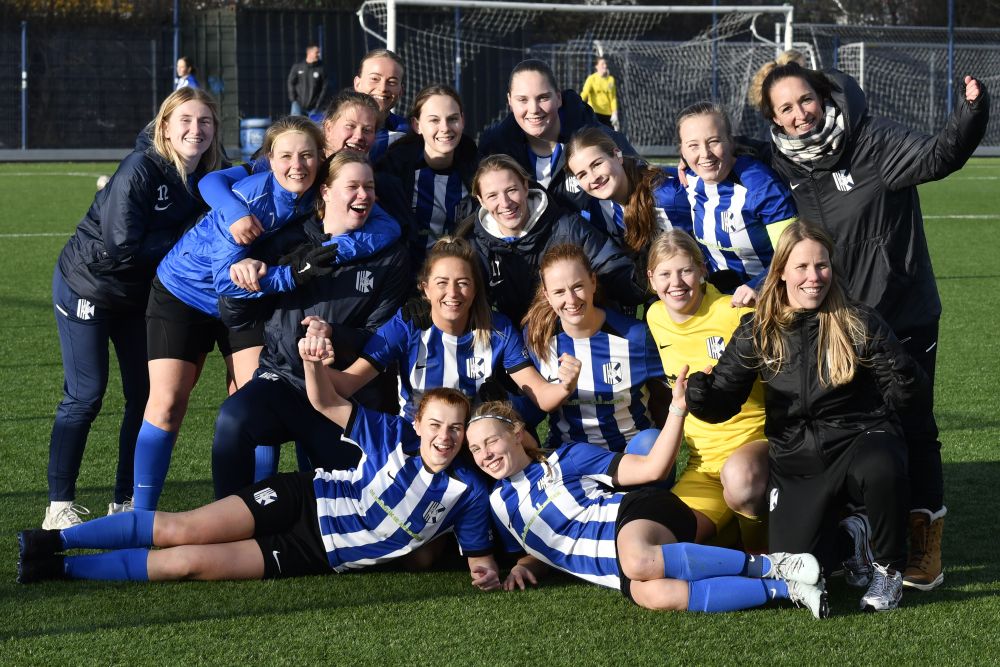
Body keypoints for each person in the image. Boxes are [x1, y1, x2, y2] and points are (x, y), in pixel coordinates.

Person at [758, 63, 989, 590]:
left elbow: (940, 154)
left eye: (805, 100)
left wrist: (972, 112)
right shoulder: (778, 161)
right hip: (834, 324)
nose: (799, 114)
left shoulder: (871, 140)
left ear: (822, 96)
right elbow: (727, 161)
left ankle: (924, 538)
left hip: (901, 314)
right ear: (774, 119)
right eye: (785, 108)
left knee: (912, 422)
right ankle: (861, 533)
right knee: (850, 428)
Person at [17, 384, 500, 588]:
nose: (444, 437)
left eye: (455, 429)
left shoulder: (469, 493)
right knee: (184, 529)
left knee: (185, 563)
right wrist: (313, 359)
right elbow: (324, 400)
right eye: (435, 425)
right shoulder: (391, 435)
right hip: (304, 498)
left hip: (314, 553)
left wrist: (502, 573)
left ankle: (59, 570)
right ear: (417, 424)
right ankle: (53, 541)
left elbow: (480, 563)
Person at [685, 221, 928, 612]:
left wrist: (904, 375)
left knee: (882, 466)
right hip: (796, 457)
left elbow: (905, 398)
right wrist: (699, 392)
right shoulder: (758, 329)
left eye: (822, 265)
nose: (814, 277)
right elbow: (722, 401)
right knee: (803, 571)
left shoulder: (857, 320)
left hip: (857, 438)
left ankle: (888, 569)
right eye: (802, 267)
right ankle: (853, 537)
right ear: (781, 271)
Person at [130, 116, 347, 512]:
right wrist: (289, 275)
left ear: (321, 158)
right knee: (166, 405)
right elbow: (225, 282)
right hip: (184, 294)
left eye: (306, 155)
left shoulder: (320, 194)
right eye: (285, 156)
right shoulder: (251, 198)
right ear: (269, 159)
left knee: (256, 401)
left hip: (246, 303)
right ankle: (140, 516)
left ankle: (251, 512)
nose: (297, 165)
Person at [465, 392, 828, 618]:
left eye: (491, 442)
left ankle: (774, 565)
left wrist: (677, 410)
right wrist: (520, 568)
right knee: (655, 594)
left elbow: (652, 468)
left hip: (639, 515)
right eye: (476, 449)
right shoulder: (498, 503)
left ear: (516, 434)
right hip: (616, 569)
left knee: (638, 559)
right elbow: (547, 547)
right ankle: (791, 590)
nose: (485, 454)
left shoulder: (565, 459)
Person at [43, 88, 223, 529]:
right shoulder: (139, 168)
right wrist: (188, 239)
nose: (195, 130)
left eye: (204, 121)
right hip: (89, 285)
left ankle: (124, 499)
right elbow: (121, 247)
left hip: (136, 296)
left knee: (143, 395)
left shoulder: (210, 175)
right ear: (165, 126)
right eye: (185, 120)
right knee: (85, 395)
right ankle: (58, 506)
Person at [211, 152, 410, 498]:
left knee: (358, 497)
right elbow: (236, 317)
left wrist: (333, 334)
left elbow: (381, 335)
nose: (363, 195)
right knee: (233, 418)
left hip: (344, 392)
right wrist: (243, 284)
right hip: (284, 379)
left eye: (369, 187)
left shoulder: (391, 255)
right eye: (352, 186)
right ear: (325, 192)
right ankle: (227, 519)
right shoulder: (289, 240)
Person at [320, 236, 581, 423]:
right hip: (419, 439)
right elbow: (347, 384)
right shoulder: (407, 324)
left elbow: (540, 396)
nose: (453, 293)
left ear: (475, 289)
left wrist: (564, 386)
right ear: (425, 288)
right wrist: (314, 365)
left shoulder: (497, 328)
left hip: (476, 441)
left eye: (463, 283)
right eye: (442, 283)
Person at [644, 230, 768, 550]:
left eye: (685, 270)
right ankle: (729, 532)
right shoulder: (655, 317)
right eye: (665, 274)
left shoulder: (733, 311)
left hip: (753, 451)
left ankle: (763, 554)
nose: (676, 283)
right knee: (661, 542)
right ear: (651, 279)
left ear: (702, 270)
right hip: (702, 465)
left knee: (740, 481)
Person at [466, 154, 646, 325]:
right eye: (492, 196)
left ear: (525, 187)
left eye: (511, 190)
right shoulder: (476, 245)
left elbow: (613, 270)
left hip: (571, 331)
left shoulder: (568, 228)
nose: (505, 203)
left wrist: (642, 277)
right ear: (481, 201)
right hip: (511, 339)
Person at [521, 244, 666, 453]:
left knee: (651, 442)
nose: (571, 300)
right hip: (572, 456)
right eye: (559, 292)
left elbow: (666, 396)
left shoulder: (635, 336)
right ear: (547, 295)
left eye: (578, 286)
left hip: (630, 453)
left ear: (593, 282)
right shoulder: (537, 337)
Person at [674, 102, 798, 307]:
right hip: (717, 300)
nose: (705, 154)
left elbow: (792, 253)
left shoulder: (760, 185)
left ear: (730, 142)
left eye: (714, 141)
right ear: (682, 152)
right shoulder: (689, 177)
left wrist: (757, 286)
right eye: (693, 145)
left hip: (770, 299)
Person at [478, 59, 636, 213]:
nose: (534, 109)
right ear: (510, 102)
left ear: (558, 98)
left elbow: (641, 187)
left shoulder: (600, 139)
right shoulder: (494, 148)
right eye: (522, 100)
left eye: (543, 98)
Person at [565, 126, 688, 281]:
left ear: (617, 155)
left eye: (597, 164)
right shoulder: (599, 209)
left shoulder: (668, 193)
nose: (593, 178)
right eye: (582, 175)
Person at [377, 84, 479, 269]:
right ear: (417, 125)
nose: (445, 128)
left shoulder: (478, 171)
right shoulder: (392, 173)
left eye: (452, 119)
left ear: (463, 120)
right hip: (404, 278)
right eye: (434, 120)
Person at [353, 49, 408, 161]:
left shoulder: (409, 133)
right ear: (357, 83)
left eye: (392, 82)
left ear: (401, 91)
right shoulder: (325, 126)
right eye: (374, 79)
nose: (383, 88)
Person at [287, 44, 327, 117]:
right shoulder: (298, 67)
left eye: (319, 52)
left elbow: (325, 87)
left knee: (315, 124)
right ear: (309, 53)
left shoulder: (321, 69)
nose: (319, 54)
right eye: (317, 52)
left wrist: (319, 103)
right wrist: (293, 99)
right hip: (298, 105)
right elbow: (290, 82)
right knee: (296, 124)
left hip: (315, 107)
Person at [580, 57, 618, 130]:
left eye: (605, 64)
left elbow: (613, 98)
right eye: (602, 64)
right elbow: (585, 93)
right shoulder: (591, 79)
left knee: (609, 135)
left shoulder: (611, 80)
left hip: (607, 114)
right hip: (594, 113)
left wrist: (614, 113)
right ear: (596, 66)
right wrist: (578, 104)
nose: (605, 66)